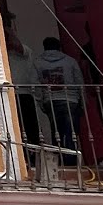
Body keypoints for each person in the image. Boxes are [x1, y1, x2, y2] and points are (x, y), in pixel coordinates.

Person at [35, 36, 85, 165]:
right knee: (71, 131)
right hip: (71, 99)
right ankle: (71, 161)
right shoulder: (70, 61)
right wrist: (83, 101)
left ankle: (57, 160)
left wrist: (41, 101)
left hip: (51, 100)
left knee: (55, 131)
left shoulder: (38, 62)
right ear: (59, 47)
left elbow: (36, 83)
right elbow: (79, 81)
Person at [3, 16, 41, 164]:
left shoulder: (24, 51)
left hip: (24, 94)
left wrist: (9, 31)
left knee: (30, 128)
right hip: (11, 93)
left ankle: (33, 158)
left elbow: (17, 46)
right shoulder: (3, 53)